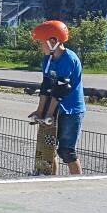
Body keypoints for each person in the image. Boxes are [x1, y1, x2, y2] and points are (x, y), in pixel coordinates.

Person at [33, 20, 85, 176]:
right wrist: (39, 111)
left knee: (66, 151)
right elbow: (46, 87)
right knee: (49, 148)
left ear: (53, 41)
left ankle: (79, 183)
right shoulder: (47, 60)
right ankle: (51, 180)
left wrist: (49, 114)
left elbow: (60, 90)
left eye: (42, 43)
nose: (40, 46)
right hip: (54, 107)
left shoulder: (69, 58)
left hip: (71, 110)